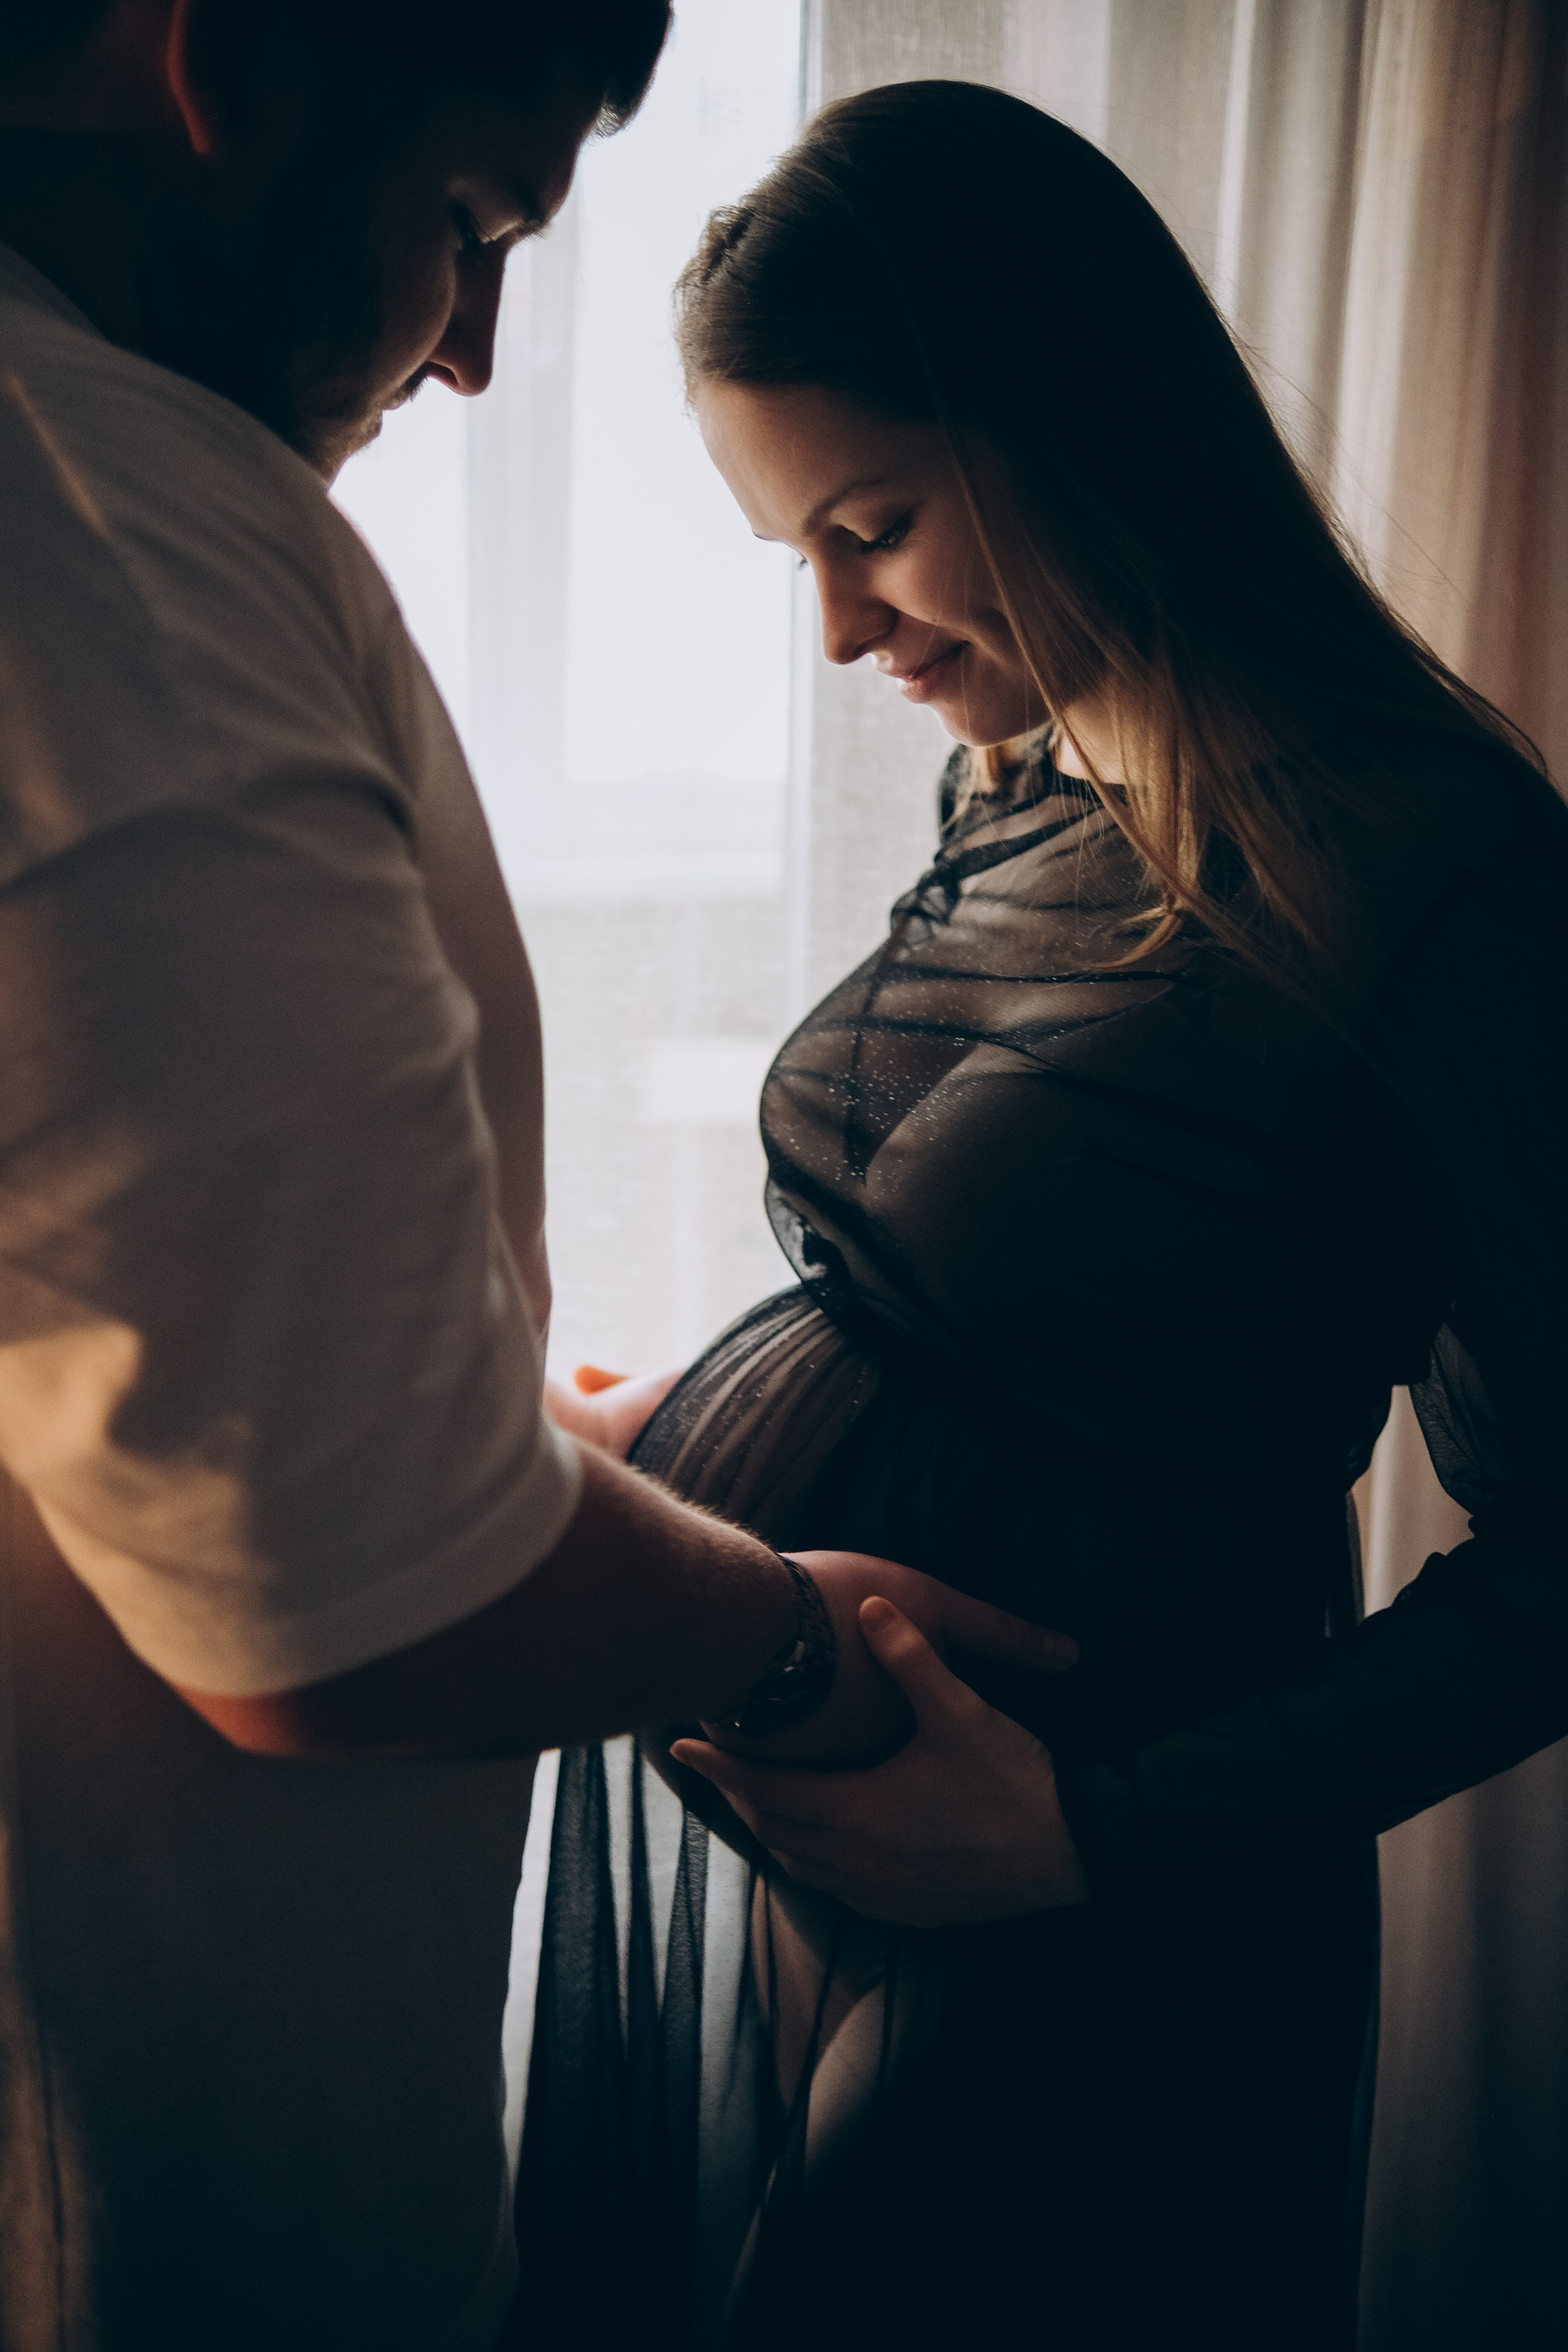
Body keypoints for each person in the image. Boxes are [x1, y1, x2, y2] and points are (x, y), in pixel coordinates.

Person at [0, 16, 1068, 2346]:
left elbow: (120, 1321)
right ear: (212, 62)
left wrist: (503, 1427)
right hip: (167, 2165)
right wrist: (785, 1653)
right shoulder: (101, 538)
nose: (473, 357)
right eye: (471, 229)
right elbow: (347, 1605)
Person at [523, 78, 1568, 2352]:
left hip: (1092, 1876)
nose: (837, 629)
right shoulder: (1021, 769)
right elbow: (1005, 1298)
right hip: (838, 1832)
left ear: (1073, 424)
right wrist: (662, 1424)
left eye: (872, 527)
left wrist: (1101, 1830)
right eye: (795, 549)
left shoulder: (1441, 867)